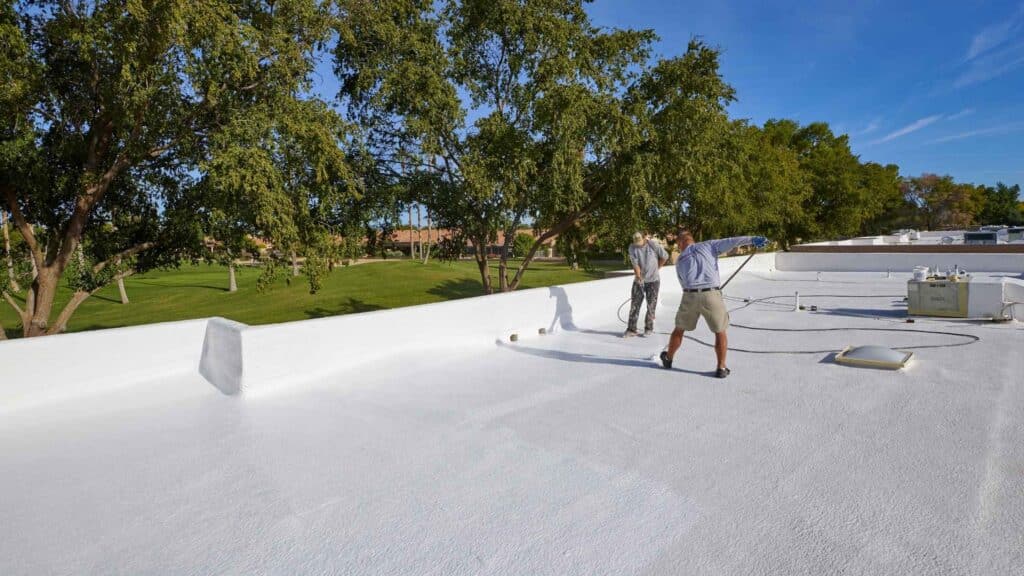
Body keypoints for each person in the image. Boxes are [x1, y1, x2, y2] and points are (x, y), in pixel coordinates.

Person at [659, 229, 768, 378]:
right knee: (720, 331)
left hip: (689, 295)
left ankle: (668, 358)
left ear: (681, 241)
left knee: (679, 329)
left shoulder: (680, 259)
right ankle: (721, 368)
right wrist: (754, 239)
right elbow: (733, 241)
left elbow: (682, 282)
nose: (679, 247)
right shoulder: (710, 245)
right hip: (712, 294)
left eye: (678, 244)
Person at [624, 231, 669, 337]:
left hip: (653, 280)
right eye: (636, 242)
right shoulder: (632, 247)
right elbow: (635, 264)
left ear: (644, 238)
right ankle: (631, 329)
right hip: (639, 280)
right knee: (635, 304)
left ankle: (648, 328)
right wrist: (639, 277)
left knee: (651, 306)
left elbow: (665, 257)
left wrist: (657, 268)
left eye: (640, 241)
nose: (638, 244)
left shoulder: (653, 245)